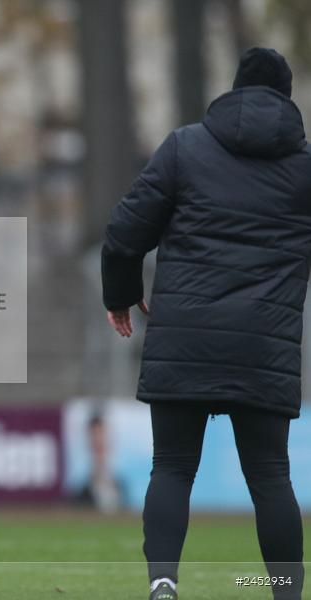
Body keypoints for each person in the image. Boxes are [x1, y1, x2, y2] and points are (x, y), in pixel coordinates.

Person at [102, 48, 308, 600]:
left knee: (171, 467)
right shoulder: (305, 167)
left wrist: (121, 296)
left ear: (235, 89)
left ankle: (164, 585)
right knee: (270, 477)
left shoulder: (185, 147)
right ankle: (287, 594)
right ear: (286, 100)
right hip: (265, 344)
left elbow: (124, 231)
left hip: (183, 336)